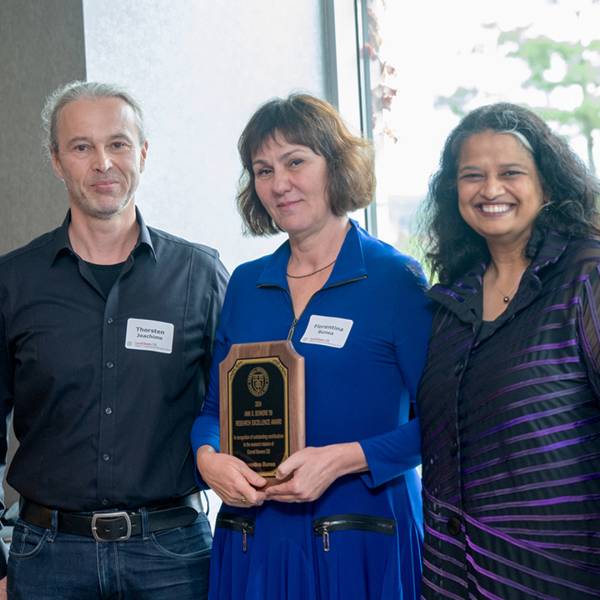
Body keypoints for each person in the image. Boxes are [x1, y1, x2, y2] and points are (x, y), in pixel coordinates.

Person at [191, 94, 431, 599]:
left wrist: (344, 459)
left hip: (363, 540)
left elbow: (444, 426)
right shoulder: (245, 284)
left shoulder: (395, 279)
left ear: (336, 166)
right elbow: (214, 408)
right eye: (262, 170)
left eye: (295, 161)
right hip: (256, 540)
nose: (279, 184)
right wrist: (208, 456)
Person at [0, 81, 228, 599]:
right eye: (82, 147)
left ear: (142, 154)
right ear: (57, 161)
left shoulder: (200, 275)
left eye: (118, 144)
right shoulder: (12, 283)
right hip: (46, 558)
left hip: (174, 558)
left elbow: (237, 411)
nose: (103, 162)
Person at [417, 102, 600, 599]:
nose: (490, 189)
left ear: (547, 184)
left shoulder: (587, 275)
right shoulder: (451, 298)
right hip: (453, 573)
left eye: (510, 173)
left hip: (560, 575)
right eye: (472, 175)